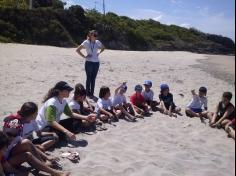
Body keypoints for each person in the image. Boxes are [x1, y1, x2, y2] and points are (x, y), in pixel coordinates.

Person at [2, 118, 70, 176]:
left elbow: (29, 145)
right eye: (9, 134)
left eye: (14, 134)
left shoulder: (16, 137)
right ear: (4, 129)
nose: (11, 137)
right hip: (4, 163)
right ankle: (55, 173)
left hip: (7, 156)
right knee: (27, 155)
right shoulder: (2, 140)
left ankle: (44, 163)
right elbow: (5, 166)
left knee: (27, 142)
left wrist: (46, 156)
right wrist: (19, 173)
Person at [76, 30, 105, 98]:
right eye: (94, 35)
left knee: (93, 78)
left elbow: (103, 48)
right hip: (89, 62)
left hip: (96, 63)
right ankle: (87, 93)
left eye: (96, 35)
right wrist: (84, 56)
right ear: (90, 35)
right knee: (88, 78)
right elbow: (77, 50)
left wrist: (99, 53)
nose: (95, 37)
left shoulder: (97, 42)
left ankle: (91, 93)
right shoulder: (86, 42)